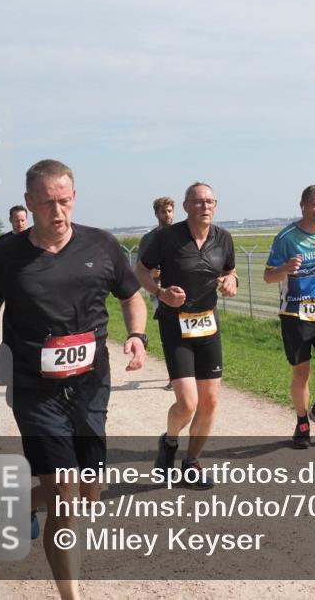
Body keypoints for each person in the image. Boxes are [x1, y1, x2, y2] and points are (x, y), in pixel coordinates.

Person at [0, 159, 148, 600]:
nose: (58, 210)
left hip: (89, 385)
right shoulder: (4, 257)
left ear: (74, 197)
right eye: (47, 202)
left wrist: (138, 336)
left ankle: (24, 503)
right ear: (29, 203)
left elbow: (132, 298)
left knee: (89, 490)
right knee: (65, 495)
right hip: (33, 387)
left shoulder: (101, 246)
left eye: (64, 200)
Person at [135, 183, 237, 487]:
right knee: (188, 403)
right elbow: (140, 270)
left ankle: (192, 461)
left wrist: (231, 280)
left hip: (208, 325)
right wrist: (160, 292)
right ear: (186, 205)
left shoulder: (223, 238)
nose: (205, 206)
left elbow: (229, 270)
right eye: (198, 201)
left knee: (210, 402)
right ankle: (168, 441)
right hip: (175, 325)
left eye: (210, 201)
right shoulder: (167, 238)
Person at [263, 185, 315, 449]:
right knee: (302, 373)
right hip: (295, 314)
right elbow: (268, 276)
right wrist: (286, 268)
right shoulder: (286, 237)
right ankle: (302, 422)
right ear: (303, 206)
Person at [0, 205, 31, 405]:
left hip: (34, 295)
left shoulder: (36, 238)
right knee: (13, 333)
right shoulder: (3, 242)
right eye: (17, 220)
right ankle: (8, 374)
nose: (20, 223)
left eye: (23, 220)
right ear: (10, 220)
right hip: (13, 296)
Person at [138, 196, 174, 389]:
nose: (167, 215)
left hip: (183, 290)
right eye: (163, 211)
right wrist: (152, 273)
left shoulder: (183, 233)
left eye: (170, 211)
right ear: (156, 214)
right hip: (159, 292)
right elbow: (140, 268)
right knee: (169, 333)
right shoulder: (149, 239)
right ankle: (173, 376)